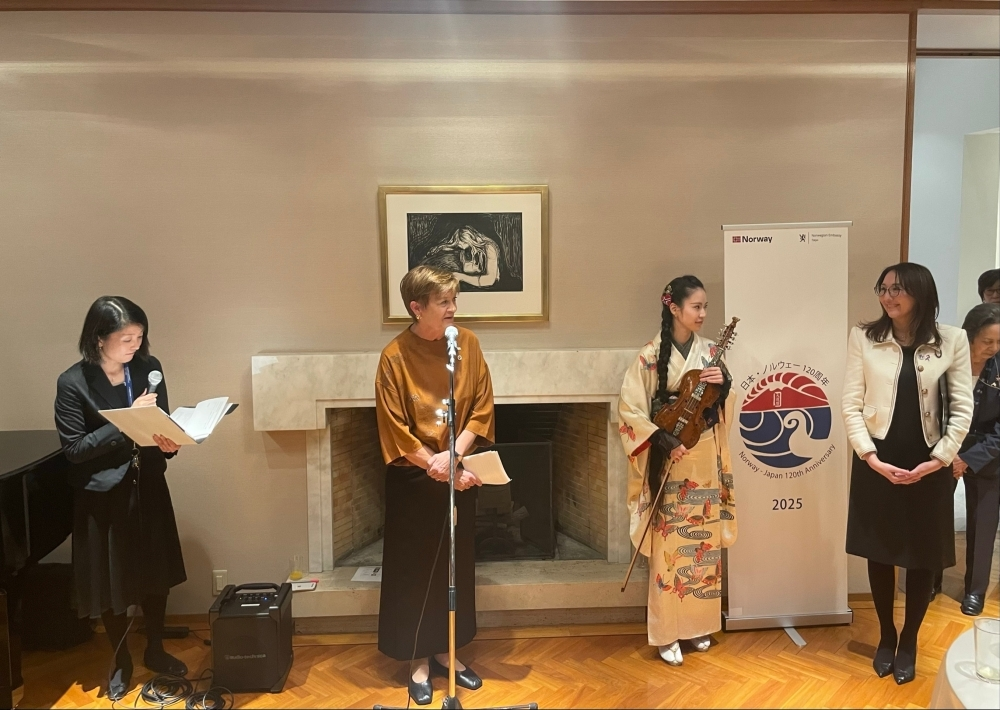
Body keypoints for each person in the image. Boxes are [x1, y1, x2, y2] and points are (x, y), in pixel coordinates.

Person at [842, 263, 973, 685]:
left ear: (921, 292)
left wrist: (940, 458)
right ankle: (886, 634)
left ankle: (910, 640)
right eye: (883, 288)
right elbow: (850, 403)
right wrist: (870, 457)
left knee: (922, 557)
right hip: (876, 461)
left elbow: (962, 407)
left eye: (898, 289)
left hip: (928, 462)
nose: (888, 296)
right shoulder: (864, 336)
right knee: (880, 552)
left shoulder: (952, 339)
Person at [54, 297, 187, 701]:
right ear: (98, 339)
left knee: (155, 572)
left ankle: (156, 649)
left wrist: (169, 443)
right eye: (125, 338)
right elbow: (74, 450)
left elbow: (160, 424)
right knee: (112, 582)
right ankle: (121, 660)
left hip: (146, 484)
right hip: (102, 496)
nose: (135, 345)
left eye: (140, 336)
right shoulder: (73, 382)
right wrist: (125, 420)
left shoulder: (149, 368)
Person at [374, 265, 495, 705]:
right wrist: (437, 465)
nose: (453, 308)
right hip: (413, 475)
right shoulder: (393, 357)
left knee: (455, 565)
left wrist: (456, 457)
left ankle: (447, 651)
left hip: (457, 469)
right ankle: (417, 658)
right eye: (444, 302)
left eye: (454, 299)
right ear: (416, 307)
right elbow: (395, 430)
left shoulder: (468, 344)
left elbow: (481, 405)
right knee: (414, 571)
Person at [618, 275, 736, 667]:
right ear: (674, 308)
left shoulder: (710, 352)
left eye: (705, 306)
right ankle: (668, 632)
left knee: (702, 545)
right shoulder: (650, 356)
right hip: (670, 457)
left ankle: (699, 624)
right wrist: (664, 441)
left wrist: (726, 384)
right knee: (672, 548)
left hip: (704, 457)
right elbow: (630, 411)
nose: (703, 314)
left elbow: (720, 405)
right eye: (696, 307)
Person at [952, 303, 1000, 616]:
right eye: (988, 342)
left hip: (989, 455)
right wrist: (948, 453)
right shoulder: (948, 362)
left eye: (999, 342)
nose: (994, 348)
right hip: (944, 449)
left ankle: (975, 590)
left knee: (983, 525)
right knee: (934, 519)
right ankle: (928, 580)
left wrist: (968, 458)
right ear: (970, 337)